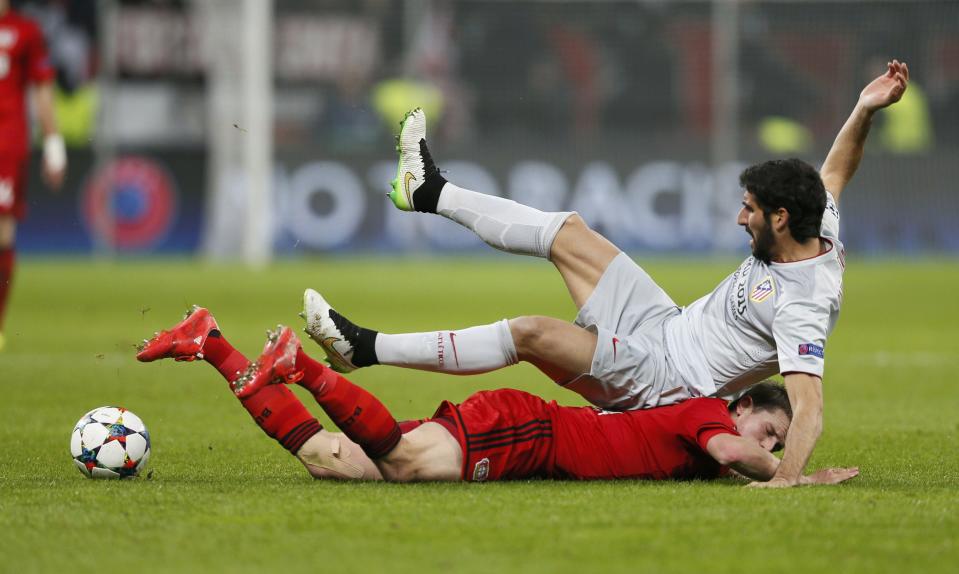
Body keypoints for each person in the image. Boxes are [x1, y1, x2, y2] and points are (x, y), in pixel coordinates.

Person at [302, 60, 910, 488]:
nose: (737, 217)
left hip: (668, 380)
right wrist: (863, 107)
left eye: (748, 209)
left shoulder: (804, 303)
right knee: (569, 232)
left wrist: (788, 480)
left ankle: (365, 349)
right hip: (665, 324)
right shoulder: (812, 217)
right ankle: (429, 191)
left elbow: (811, 406)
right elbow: (834, 172)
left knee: (533, 334)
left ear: (779, 217)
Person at [135, 307, 858, 486]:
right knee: (406, 462)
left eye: (776, 440)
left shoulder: (714, 428)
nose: (767, 444)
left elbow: (733, 453)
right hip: (530, 433)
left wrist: (776, 465)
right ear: (739, 406)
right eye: (771, 429)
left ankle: (211, 343)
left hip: (524, 432)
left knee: (335, 460)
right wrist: (793, 475)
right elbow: (733, 449)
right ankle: (307, 369)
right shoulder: (708, 410)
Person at [0, 0, 66, 351]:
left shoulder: (24, 32)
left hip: (5, 145)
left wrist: (53, 143)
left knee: (2, 237)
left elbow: (42, 88)